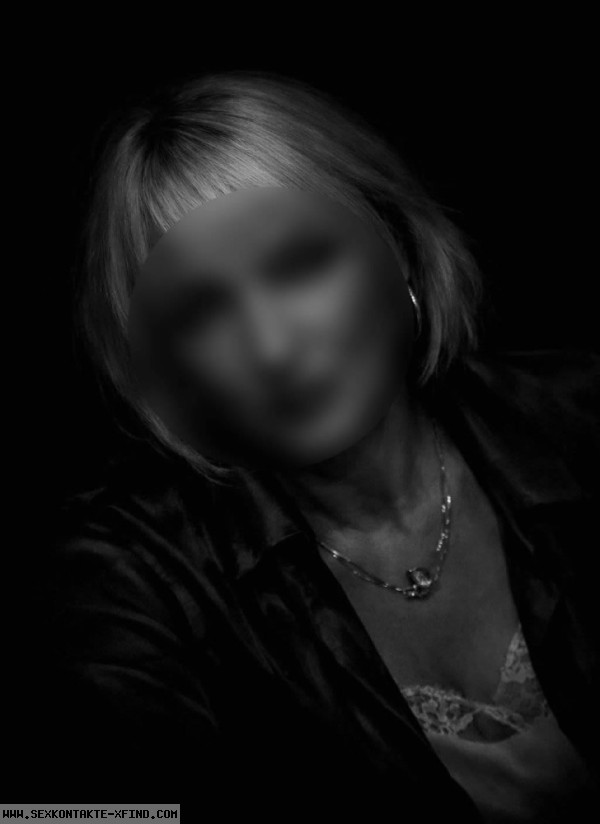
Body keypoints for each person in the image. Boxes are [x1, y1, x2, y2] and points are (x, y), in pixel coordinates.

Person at [39, 71, 598, 820]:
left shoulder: (580, 416)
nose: (272, 348)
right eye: (201, 309)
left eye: (300, 263)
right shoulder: (133, 571)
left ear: (399, 250)